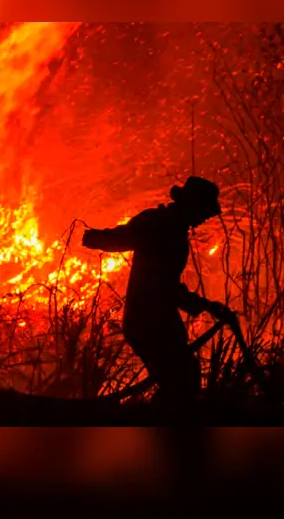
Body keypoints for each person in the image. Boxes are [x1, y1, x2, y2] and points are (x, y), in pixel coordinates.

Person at [82, 176, 232, 422]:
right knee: (181, 383)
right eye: (203, 211)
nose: (205, 218)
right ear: (192, 206)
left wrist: (206, 306)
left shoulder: (168, 228)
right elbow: (159, 281)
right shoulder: (159, 226)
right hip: (148, 323)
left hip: (157, 321)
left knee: (185, 379)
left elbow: (164, 284)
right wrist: (99, 238)